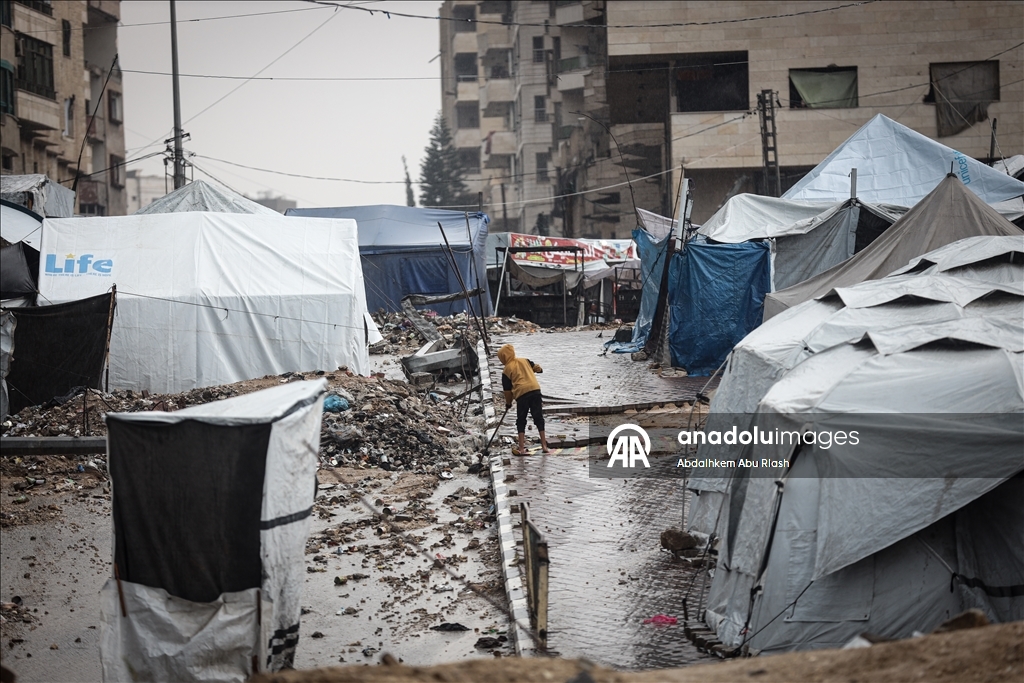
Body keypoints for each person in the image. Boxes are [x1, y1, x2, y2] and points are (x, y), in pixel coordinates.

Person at [498, 344, 550, 455]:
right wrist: (539, 370)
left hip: (522, 395)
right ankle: (544, 445)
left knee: (521, 420)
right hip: (535, 390)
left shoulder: (506, 370)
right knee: (538, 417)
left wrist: (508, 403)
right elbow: (537, 368)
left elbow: (507, 391)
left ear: (503, 357)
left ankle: (521, 448)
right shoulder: (525, 361)